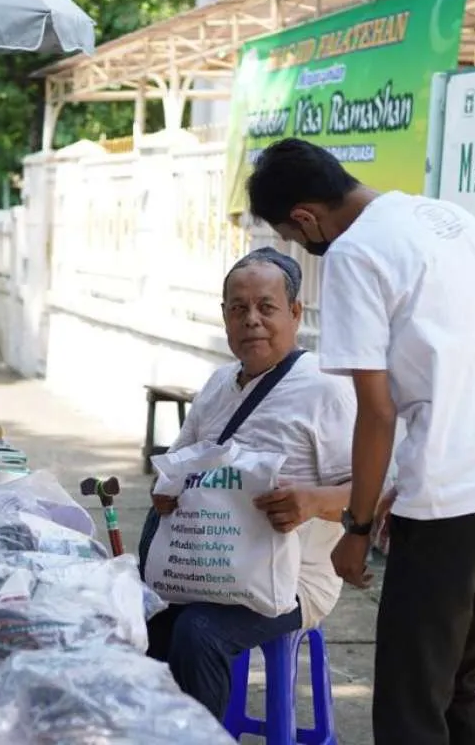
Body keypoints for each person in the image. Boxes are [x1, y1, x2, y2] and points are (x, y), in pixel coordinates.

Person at [245, 138, 475, 745]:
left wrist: (357, 529)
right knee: (455, 687)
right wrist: (402, 482)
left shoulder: (353, 255)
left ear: (306, 218)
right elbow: (457, 369)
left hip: (454, 510)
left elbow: (377, 411)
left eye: (292, 239)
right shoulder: (447, 218)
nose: (302, 248)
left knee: (408, 709)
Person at [137, 246, 357, 721]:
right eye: (239, 309)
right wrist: (167, 492)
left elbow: (372, 497)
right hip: (200, 570)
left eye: (266, 307)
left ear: (295, 313)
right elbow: (175, 468)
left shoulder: (327, 388)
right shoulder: (219, 383)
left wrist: (313, 502)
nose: (251, 320)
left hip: (291, 580)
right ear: (224, 317)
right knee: (131, 625)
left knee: (199, 632)